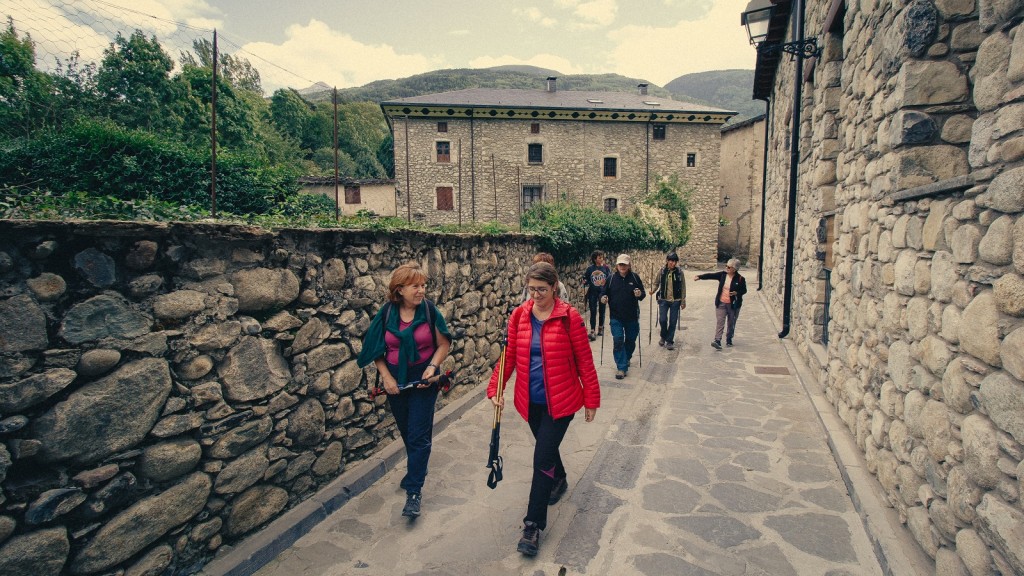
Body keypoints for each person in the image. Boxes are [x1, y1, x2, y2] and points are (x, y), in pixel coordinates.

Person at [489, 262, 600, 557]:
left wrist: (592, 399)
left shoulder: (569, 317)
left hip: (561, 402)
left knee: (541, 459)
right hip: (531, 401)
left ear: (554, 287)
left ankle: (533, 525)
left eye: (541, 289)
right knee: (547, 450)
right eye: (531, 289)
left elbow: (584, 361)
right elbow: (509, 355)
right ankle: (559, 478)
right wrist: (495, 388)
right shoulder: (520, 315)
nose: (535, 295)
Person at [357, 262, 452, 518]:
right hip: (395, 381)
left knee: (419, 435)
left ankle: (414, 491)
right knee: (407, 433)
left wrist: (433, 367)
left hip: (424, 379)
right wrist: (386, 378)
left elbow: (443, 344)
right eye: (415, 286)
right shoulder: (387, 313)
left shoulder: (430, 311)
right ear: (399, 289)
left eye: (423, 285)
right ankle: (416, 469)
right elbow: (376, 350)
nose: (421, 290)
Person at [600, 254, 646, 379]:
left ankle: (626, 357)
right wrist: (603, 298)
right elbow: (603, 293)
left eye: (625, 264)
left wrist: (639, 294)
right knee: (618, 340)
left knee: (631, 340)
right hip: (616, 317)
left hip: (632, 316)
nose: (622, 266)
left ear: (629, 265)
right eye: (620, 264)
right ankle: (621, 367)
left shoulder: (635, 278)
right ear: (617, 265)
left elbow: (643, 294)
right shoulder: (610, 279)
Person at [696, 258, 747, 350]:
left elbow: (744, 290)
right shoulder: (722, 275)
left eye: (729, 267)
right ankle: (717, 340)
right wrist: (700, 277)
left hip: (733, 305)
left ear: (734, 269)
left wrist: (737, 293)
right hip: (721, 303)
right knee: (720, 322)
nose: (726, 268)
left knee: (731, 323)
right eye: (726, 266)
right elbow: (711, 275)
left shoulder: (740, 279)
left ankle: (729, 338)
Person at [654, 252, 686, 350]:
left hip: (675, 300)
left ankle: (669, 341)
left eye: (674, 261)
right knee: (662, 320)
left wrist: (683, 300)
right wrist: (653, 291)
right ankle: (663, 336)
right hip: (663, 300)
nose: (673, 263)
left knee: (673, 322)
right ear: (667, 261)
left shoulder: (680, 272)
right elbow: (656, 283)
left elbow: (683, 287)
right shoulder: (662, 271)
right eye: (671, 261)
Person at [582, 250, 610, 341]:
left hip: (602, 292)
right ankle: (592, 330)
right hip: (592, 292)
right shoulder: (590, 269)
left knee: (602, 310)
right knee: (593, 311)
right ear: (595, 259)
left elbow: (609, 279)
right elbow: (585, 278)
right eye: (599, 257)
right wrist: (585, 281)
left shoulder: (606, 268)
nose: (601, 259)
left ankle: (600, 328)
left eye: (602, 257)